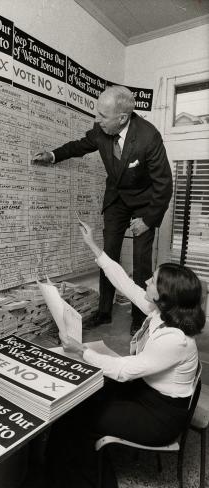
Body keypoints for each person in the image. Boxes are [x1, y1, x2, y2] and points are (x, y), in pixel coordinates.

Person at [42, 220, 205, 488]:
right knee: (80, 401)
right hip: (146, 391)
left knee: (80, 419)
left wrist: (81, 350)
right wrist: (93, 245)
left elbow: (123, 371)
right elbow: (123, 282)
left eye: (152, 281)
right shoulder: (163, 312)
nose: (146, 281)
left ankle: (81, 480)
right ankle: (58, 471)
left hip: (160, 416)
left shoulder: (175, 339)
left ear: (164, 295)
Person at [32, 85, 173, 334]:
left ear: (122, 118)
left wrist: (148, 221)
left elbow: (164, 185)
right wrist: (53, 155)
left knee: (141, 263)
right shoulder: (101, 130)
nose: (97, 120)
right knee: (107, 255)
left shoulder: (148, 137)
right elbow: (80, 145)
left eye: (103, 116)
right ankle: (104, 312)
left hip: (145, 202)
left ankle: (140, 318)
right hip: (117, 199)